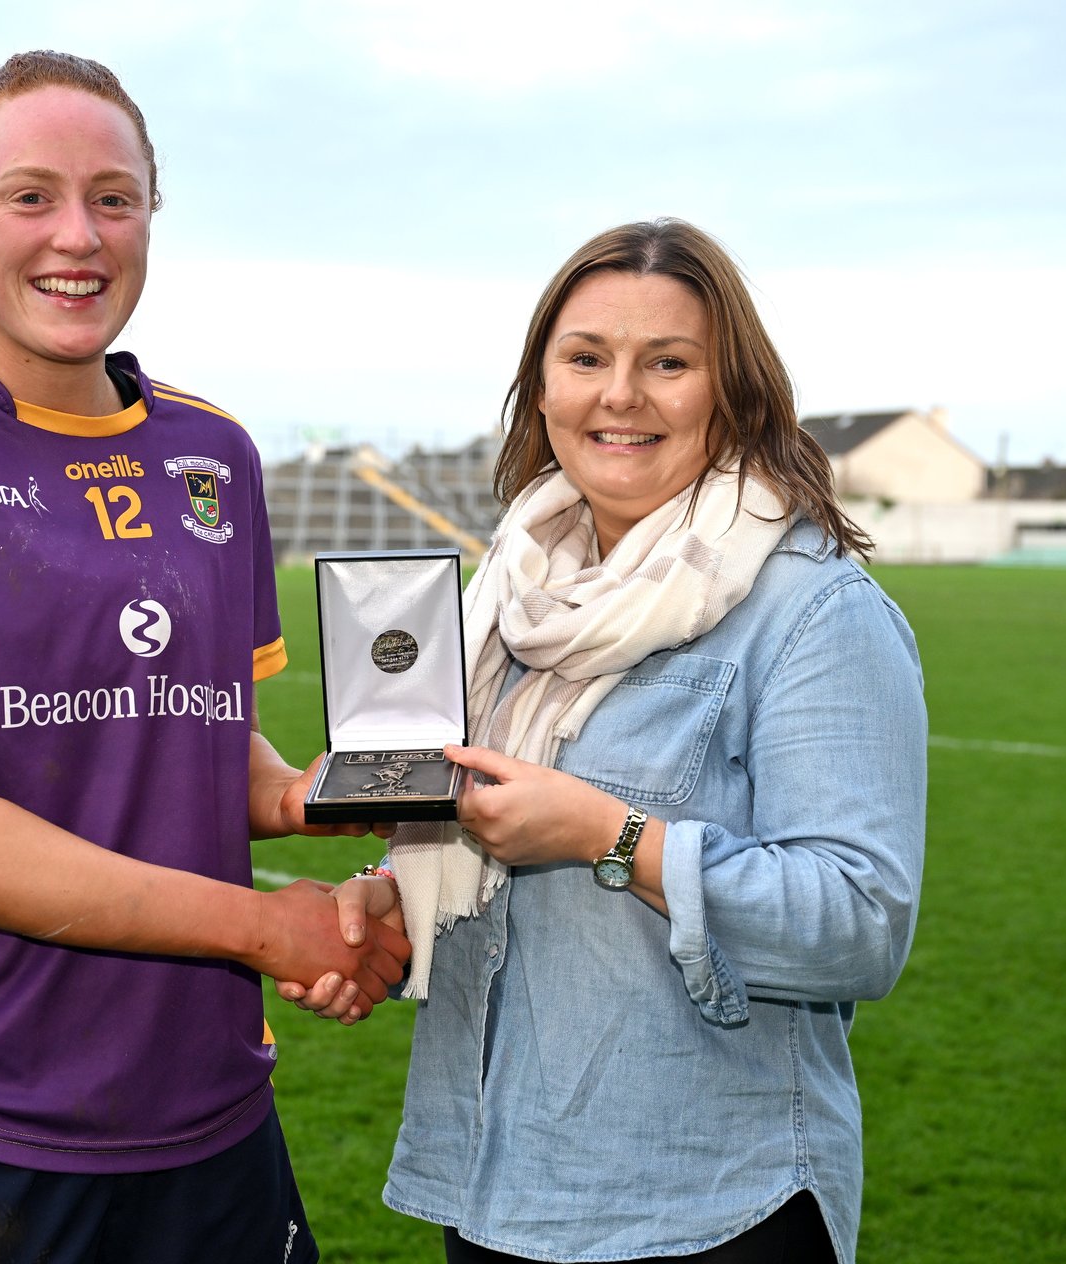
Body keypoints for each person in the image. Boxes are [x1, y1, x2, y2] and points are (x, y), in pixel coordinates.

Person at [0, 51, 407, 1264]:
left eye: (114, 197)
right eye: (31, 196)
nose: (79, 235)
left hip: (210, 1116)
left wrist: (315, 796)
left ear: (152, 213)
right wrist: (274, 931)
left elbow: (190, 733)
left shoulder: (214, 449)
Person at [291, 219, 927, 1263]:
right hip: (500, 1183)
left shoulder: (814, 610)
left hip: (704, 1205)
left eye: (667, 363)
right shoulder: (512, 594)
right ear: (541, 388)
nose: (620, 394)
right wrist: (392, 897)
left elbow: (860, 922)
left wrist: (611, 836)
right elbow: (486, 827)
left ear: (733, 392)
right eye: (586, 358)